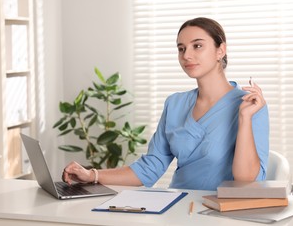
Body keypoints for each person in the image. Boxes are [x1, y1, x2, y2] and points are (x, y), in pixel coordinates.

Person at [62, 17, 269, 190]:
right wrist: (92, 175)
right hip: (177, 207)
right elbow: (151, 167)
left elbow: (246, 180)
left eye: (197, 46)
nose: (186, 55)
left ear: (220, 50)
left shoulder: (249, 106)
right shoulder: (175, 104)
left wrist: (244, 118)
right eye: (181, 48)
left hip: (222, 212)